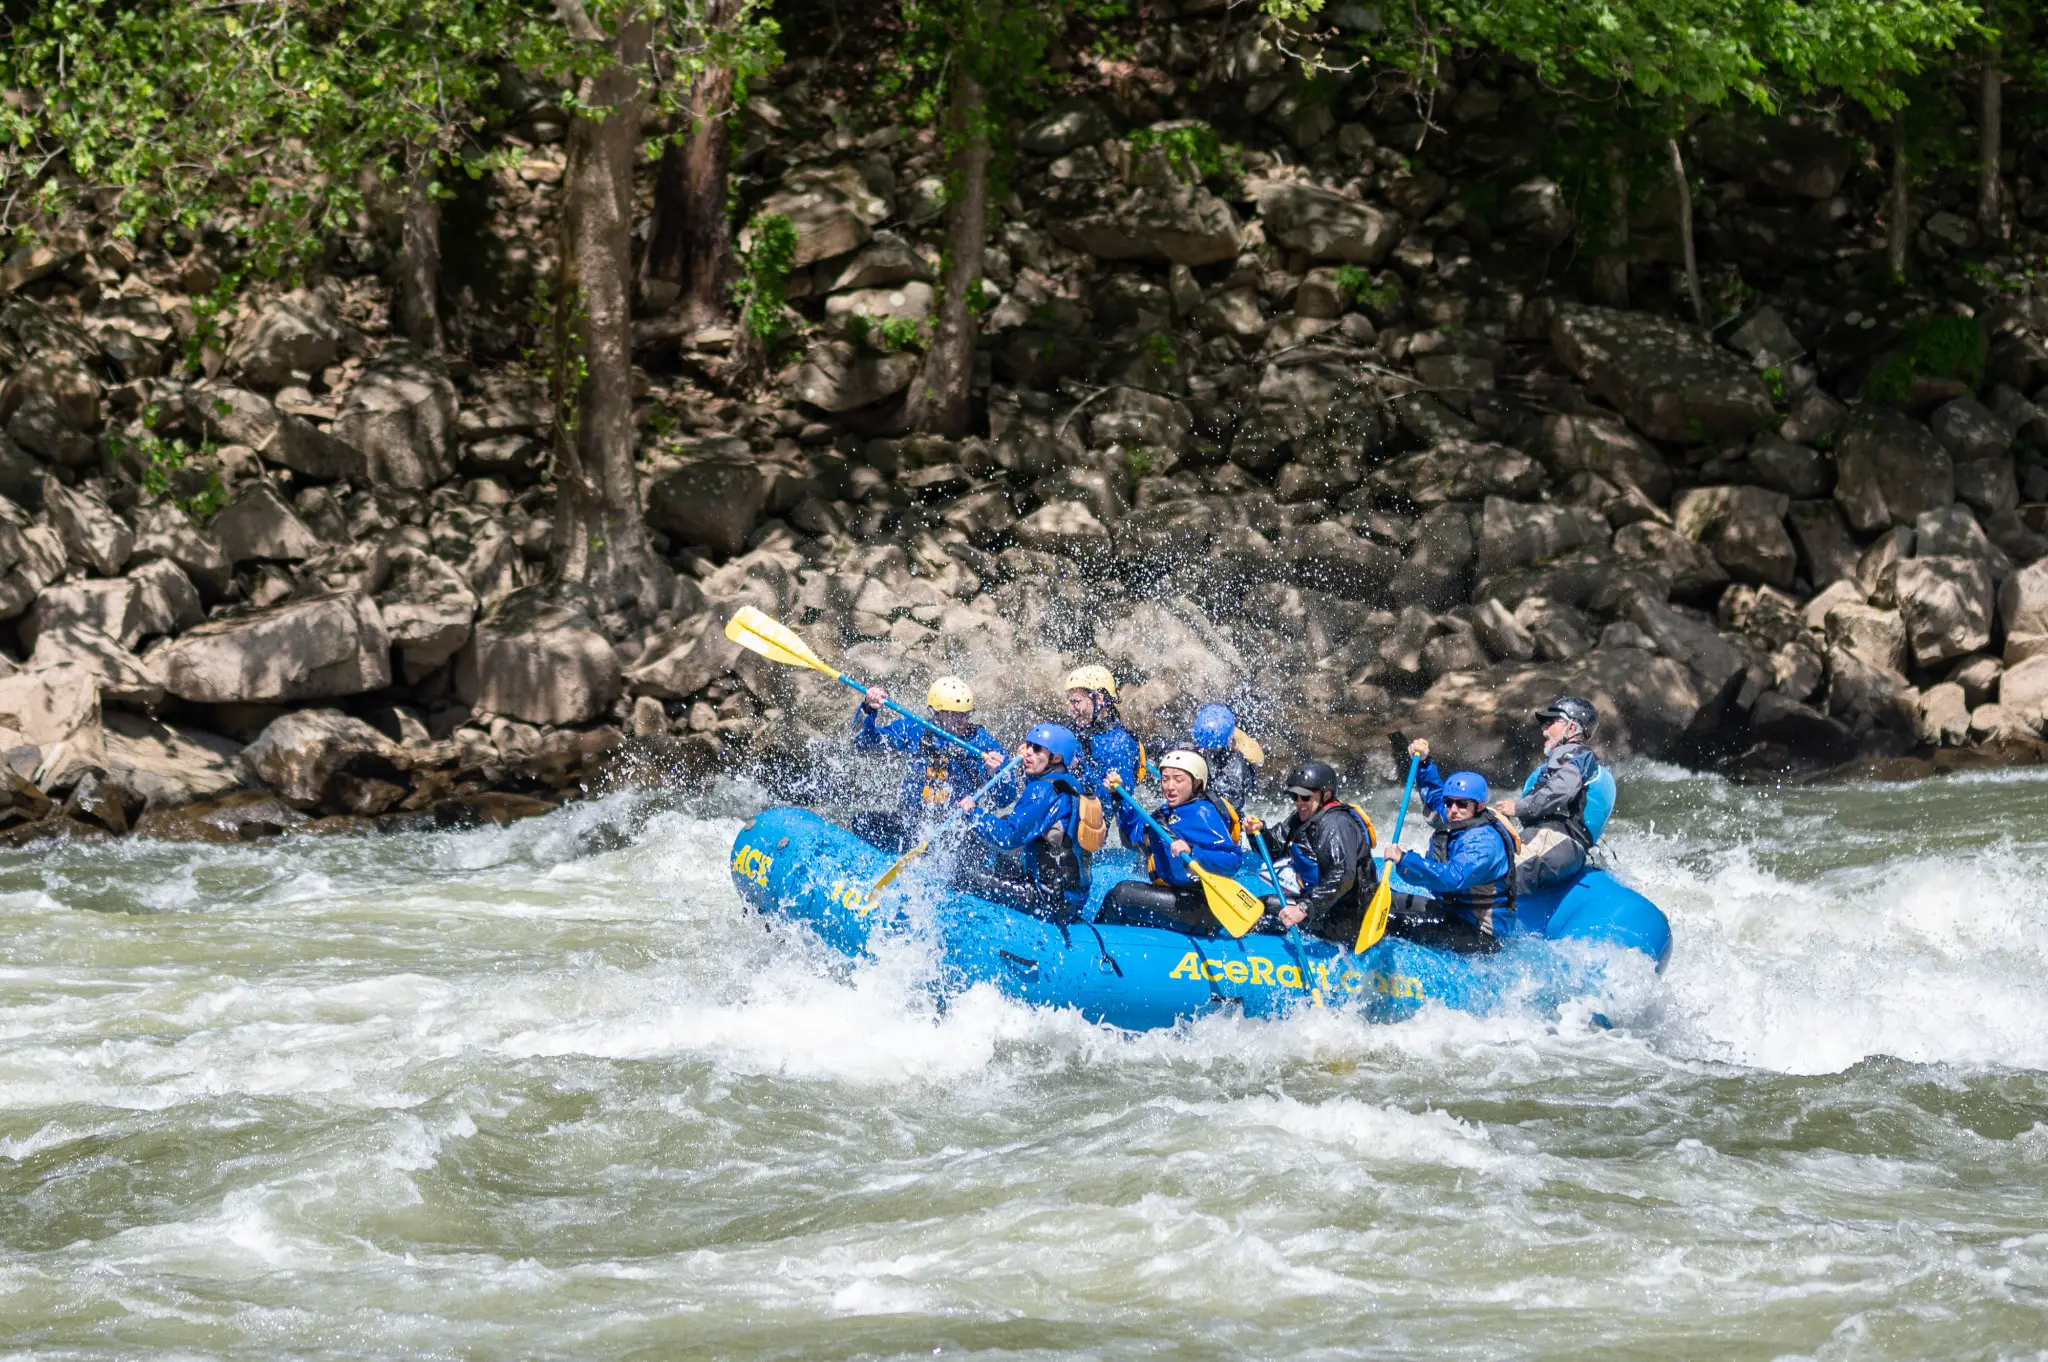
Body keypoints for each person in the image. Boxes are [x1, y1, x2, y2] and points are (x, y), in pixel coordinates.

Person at [1380, 739, 1518, 954]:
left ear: (1480, 806)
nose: (1453, 809)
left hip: (1480, 932)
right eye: (1450, 802)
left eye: (1462, 804)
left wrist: (1404, 859)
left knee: (1391, 919)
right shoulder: (1461, 817)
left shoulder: (1484, 842)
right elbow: (1434, 797)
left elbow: (1452, 877)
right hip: (1454, 912)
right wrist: (1424, 763)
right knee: (1387, 899)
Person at [848, 676, 1007, 853]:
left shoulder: (982, 742)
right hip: (912, 823)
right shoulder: (915, 729)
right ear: (937, 713)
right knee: (862, 822)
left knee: (975, 848)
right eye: (955, 715)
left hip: (956, 829)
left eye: (966, 714)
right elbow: (863, 744)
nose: (963, 721)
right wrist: (868, 710)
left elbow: (1006, 799)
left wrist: (995, 774)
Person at [953, 722, 1094, 920]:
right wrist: (1001, 771)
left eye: (1036, 749)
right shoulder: (1069, 783)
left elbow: (1008, 837)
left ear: (1056, 758)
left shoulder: (1043, 791)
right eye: (1028, 745)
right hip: (1070, 898)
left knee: (961, 876)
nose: (1027, 752)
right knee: (1006, 834)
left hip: (1047, 899)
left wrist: (973, 813)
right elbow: (1037, 807)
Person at [1095, 750, 1244, 934]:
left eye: (1178, 780)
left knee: (1121, 895)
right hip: (1177, 895)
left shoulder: (1202, 813)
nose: (1170, 786)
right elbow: (1134, 835)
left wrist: (1193, 852)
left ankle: (1093, 943)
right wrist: (1119, 796)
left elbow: (1233, 860)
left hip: (1201, 904)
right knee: (1124, 896)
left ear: (1196, 783)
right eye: (1165, 779)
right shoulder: (1169, 812)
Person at [1245, 760, 1377, 945]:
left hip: (1348, 916)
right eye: (1294, 796)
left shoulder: (1336, 823)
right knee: (1260, 906)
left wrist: (1304, 908)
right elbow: (1274, 850)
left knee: (1265, 914)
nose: (1299, 802)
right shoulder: (1303, 816)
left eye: (1305, 797)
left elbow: (1342, 875)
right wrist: (1258, 833)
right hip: (1323, 905)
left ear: (1326, 795)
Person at [1493, 695, 1606, 893]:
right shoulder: (1565, 759)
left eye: (1551, 721)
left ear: (1572, 727)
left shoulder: (1577, 755)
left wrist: (1518, 808)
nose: (1544, 728)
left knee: (1496, 876)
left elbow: (1563, 790)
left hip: (1555, 840)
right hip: (1548, 840)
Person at [1063, 665, 1143, 804]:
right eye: (1070, 702)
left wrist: (1079, 769)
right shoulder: (1073, 731)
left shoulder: (1118, 743)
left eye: (1076, 702)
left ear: (1099, 698)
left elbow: (1112, 802)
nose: (1071, 709)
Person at [1190, 703, 1261, 811]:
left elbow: (1232, 801)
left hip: (1231, 808)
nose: (1205, 750)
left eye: (1211, 748)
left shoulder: (1235, 761)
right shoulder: (1204, 734)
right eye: (1203, 746)